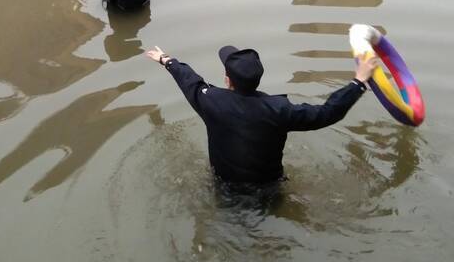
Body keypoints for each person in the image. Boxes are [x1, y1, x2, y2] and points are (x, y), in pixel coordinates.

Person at [145, 43, 378, 185]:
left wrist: (167, 60)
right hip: (270, 188)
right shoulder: (280, 111)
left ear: (227, 80)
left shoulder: (212, 101)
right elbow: (328, 113)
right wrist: (358, 83)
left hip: (224, 185)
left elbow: (189, 80)